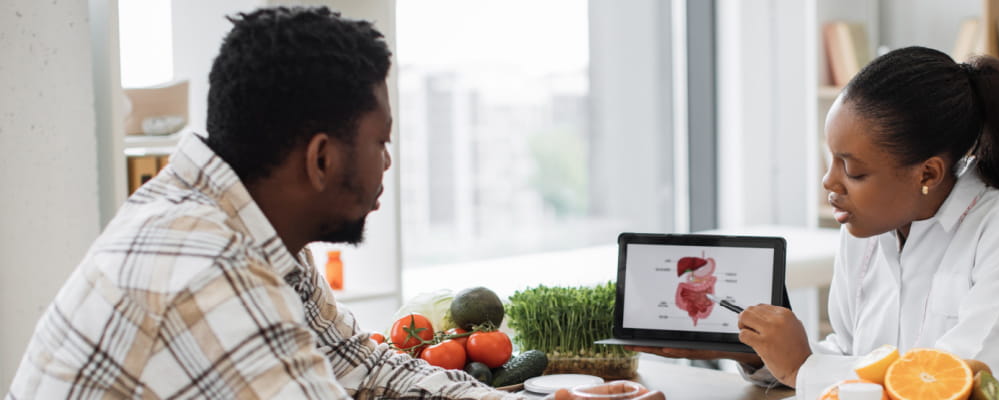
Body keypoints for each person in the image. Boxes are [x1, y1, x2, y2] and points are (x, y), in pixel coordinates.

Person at [8, 7, 662, 400]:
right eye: (380, 142)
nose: (386, 165)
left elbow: (363, 368)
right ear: (321, 159)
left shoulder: (244, 233)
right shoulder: (206, 269)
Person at [629, 46, 999, 400]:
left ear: (928, 173)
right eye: (832, 160)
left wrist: (804, 367)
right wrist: (760, 354)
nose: (830, 182)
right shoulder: (866, 232)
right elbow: (853, 359)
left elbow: (954, 386)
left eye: (854, 169)